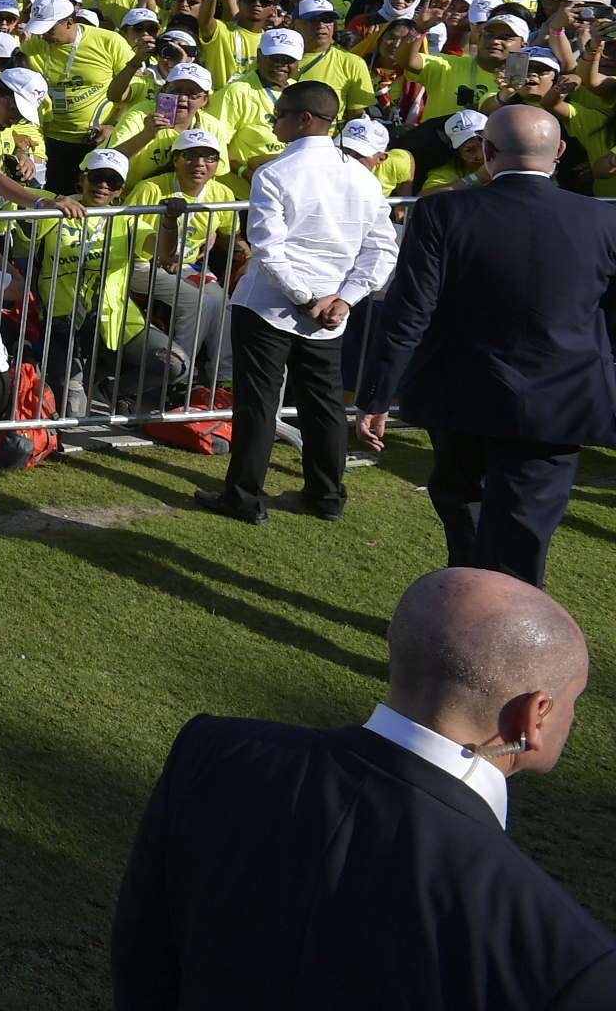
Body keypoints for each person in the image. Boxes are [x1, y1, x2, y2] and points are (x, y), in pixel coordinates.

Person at [111, 568, 613, 1009]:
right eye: (576, 698)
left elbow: (144, 966)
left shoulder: (215, 753)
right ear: (536, 714)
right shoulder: (565, 955)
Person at [359, 103, 616, 587]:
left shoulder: (442, 211)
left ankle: (480, 621)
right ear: (560, 151)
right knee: (517, 527)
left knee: (468, 509)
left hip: (463, 392)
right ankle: (486, 622)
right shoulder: (602, 220)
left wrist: (376, 395)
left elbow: (409, 311)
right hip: (559, 400)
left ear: (489, 153)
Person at [216, 81, 398, 525]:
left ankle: (244, 499)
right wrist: (345, 299)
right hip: (328, 310)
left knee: (259, 405)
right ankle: (327, 496)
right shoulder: (361, 177)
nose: (272, 121)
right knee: (325, 404)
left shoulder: (274, 172)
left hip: (271, 306)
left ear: (304, 119)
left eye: (277, 114)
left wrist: (310, 297)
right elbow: (383, 249)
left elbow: (266, 246)